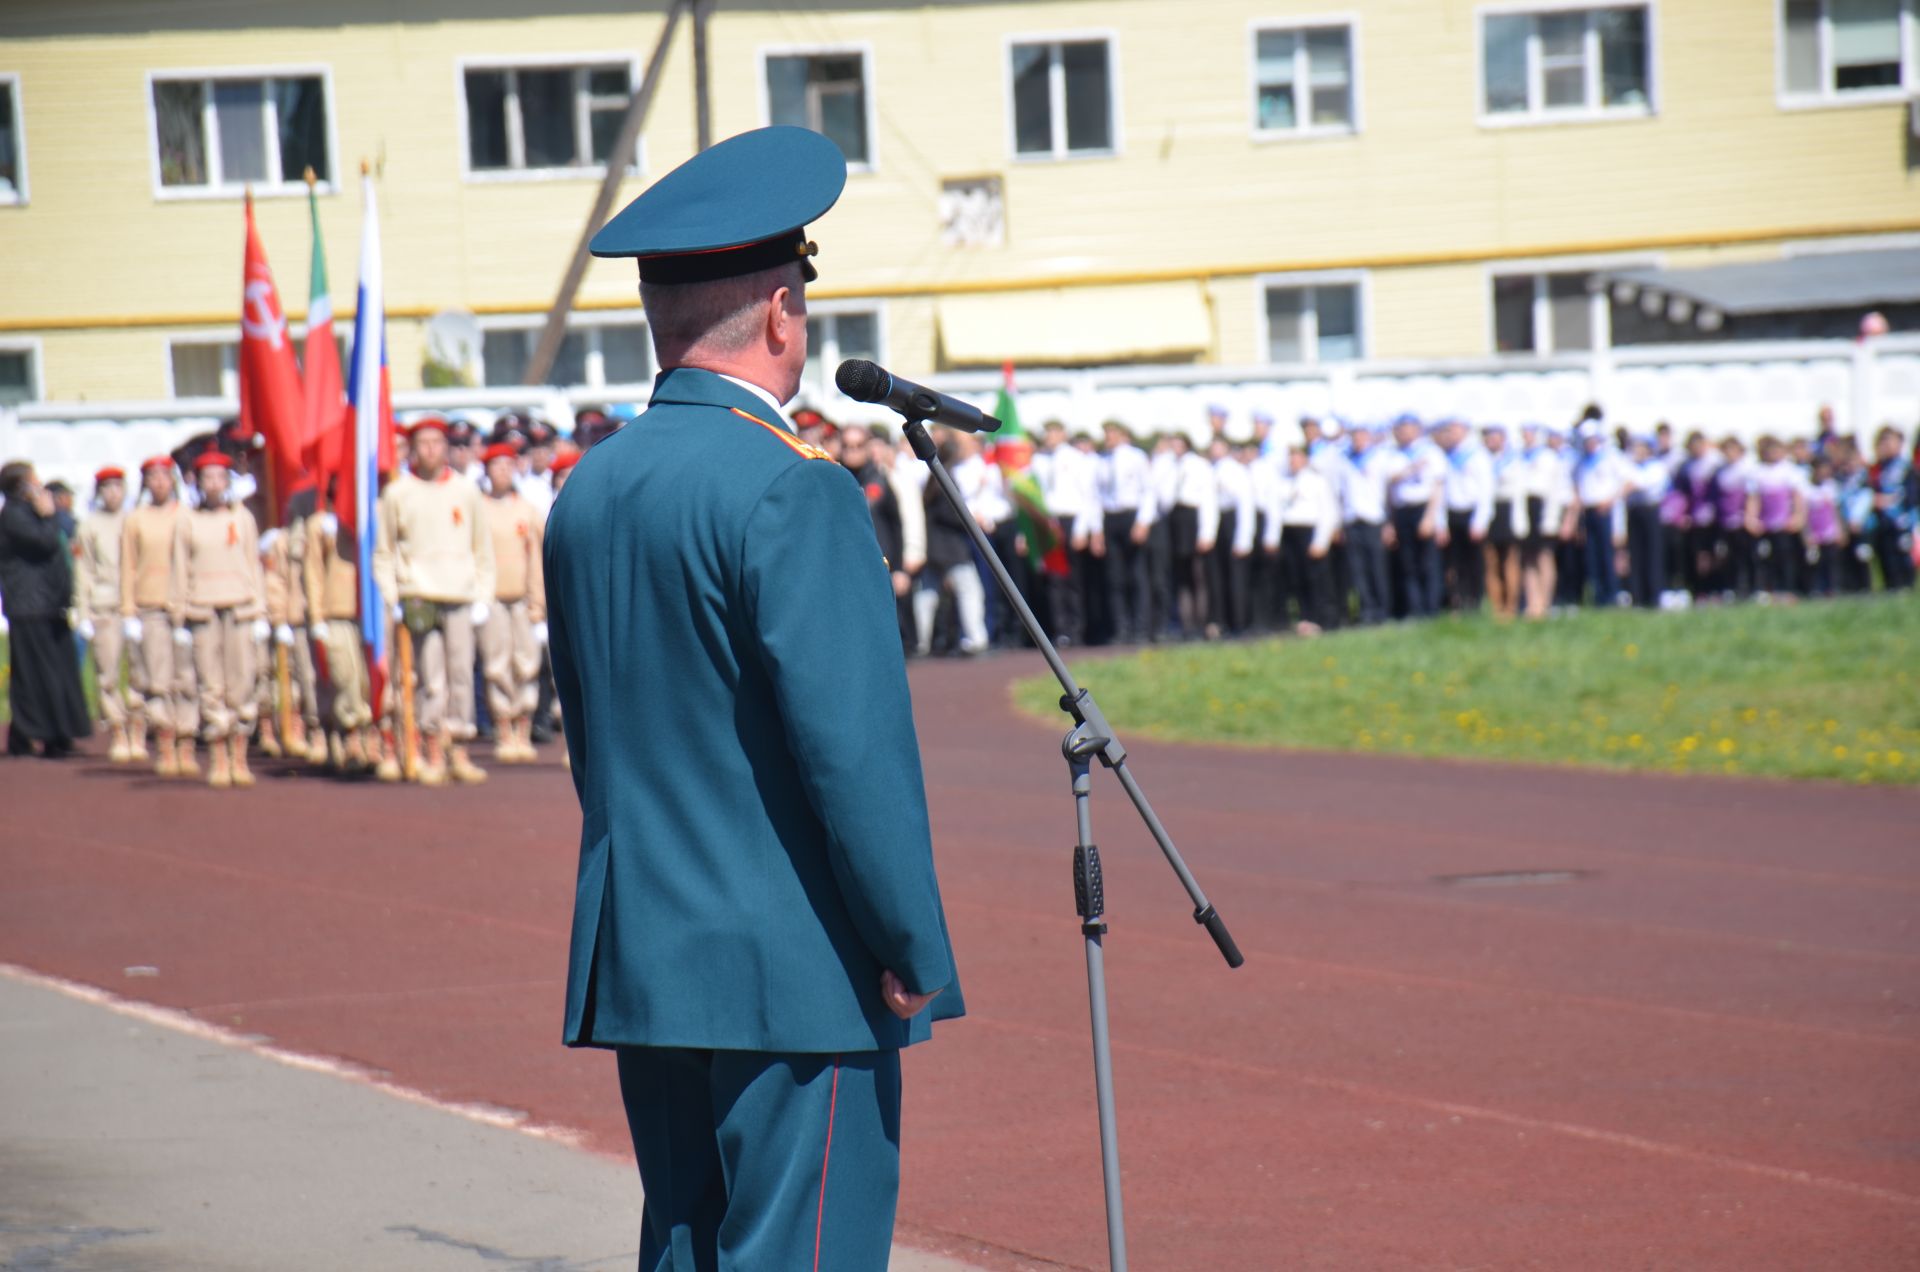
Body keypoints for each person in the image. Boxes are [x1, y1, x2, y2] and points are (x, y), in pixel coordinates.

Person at [546, 126, 963, 1271]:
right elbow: (853, 755)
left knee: (684, 1250)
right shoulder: (795, 489)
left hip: (652, 951)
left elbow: (597, 740)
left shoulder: (588, 492)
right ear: (783, 314)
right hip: (797, 970)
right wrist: (910, 940)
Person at [373, 415, 496, 786]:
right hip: (419, 593)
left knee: (461, 673)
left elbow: (482, 547)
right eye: (424, 443)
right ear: (413, 448)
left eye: (438, 442)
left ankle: (457, 746)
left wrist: (483, 596)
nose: (431, 450)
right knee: (430, 677)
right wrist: (392, 594)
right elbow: (384, 551)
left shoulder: (466, 490)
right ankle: (430, 746)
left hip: (459, 592)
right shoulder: (398, 493)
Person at [169, 452, 267, 788]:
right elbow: (179, 568)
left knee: (241, 680)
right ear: (197, 482)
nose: (213, 484)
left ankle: (239, 755)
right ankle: (218, 756)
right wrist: (177, 612)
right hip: (201, 607)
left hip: (239, 605)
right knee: (210, 683)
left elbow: (253, 562)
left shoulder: (242, 518)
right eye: (207, 477)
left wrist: (260, 608)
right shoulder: (187, 520)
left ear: (228, 481)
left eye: (220, 477)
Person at [0, 461, 90, 757]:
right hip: (30, 606)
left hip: (48, 603)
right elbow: (46, 542)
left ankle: (48, 733)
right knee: (38, 672)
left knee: (54, 670)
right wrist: (50, 516)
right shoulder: (14, 516)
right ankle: (43, 734)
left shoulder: (27, 514)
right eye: (33, 481)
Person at [121, 456, 198, 777]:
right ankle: (166, 741)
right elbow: (128, 565)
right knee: (158, 679)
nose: (159, 483)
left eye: (164, 476)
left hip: (187, 607)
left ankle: (187, 742)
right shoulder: (136, 519)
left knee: (188, 679)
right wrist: (128, 610)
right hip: (151, 605)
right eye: (152, 477)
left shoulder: (187, 516)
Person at [305, 483, 382, 775]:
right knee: (344, 677)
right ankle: (351, 736)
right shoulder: (320, 526)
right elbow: (312, 572)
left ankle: (373, 737)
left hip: (371, 611)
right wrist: (316, 617)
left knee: (371, 678)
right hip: (336, 611)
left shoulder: (374, 517)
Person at [478, 442, 547, 763]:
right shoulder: (478, 508)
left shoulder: (527, 511)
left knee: (526, 662)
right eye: (496, 465)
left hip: (522, 600)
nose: (502, 471)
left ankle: (523, 726)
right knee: (497, 664)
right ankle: (503, 726)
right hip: (492, 599)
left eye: (508, 465)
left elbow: (536, 560)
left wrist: (538, 603)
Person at [73, 467, 146, 762]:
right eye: (107, 487)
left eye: (118, 486)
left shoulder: (136, 521)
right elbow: (84, 571)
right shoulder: (89, 526)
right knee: (108, 672)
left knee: (141, 671)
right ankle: (118, 728)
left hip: (138, 605)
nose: (113, 493)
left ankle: (138, 727)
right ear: (99, 492)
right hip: (105, 604)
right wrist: (83, 612)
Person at [1095, 420, 1156, 643]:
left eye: (1111, 433)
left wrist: (1142, 522)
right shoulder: (1101, 460)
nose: (1108, 437)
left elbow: (1148, 490)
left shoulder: (1136, 457)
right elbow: (1096, 496)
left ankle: (1141, 626)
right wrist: (1097, 530)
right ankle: (1122, 627)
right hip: (1111, 517)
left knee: (1137, 574)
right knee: (1115, 576)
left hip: (1131, 515)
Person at [1573, 424, 1627, 606]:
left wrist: (1609, 501)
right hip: (1588, 511)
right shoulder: (1582, 461)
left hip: (1604, 510)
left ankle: (1611, 593)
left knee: (1606, 554)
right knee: (1592, 556)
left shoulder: (1610, 458)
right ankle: (1599, 595)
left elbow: (1627, 482)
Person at [1747, 435, 1806, 599]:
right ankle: (1768, 588)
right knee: (1765, 558)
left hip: (1784, 524)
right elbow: (1754, 498)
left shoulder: (1789, 470)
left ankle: (1787, 589)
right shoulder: (1758, 472)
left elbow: (1797, 497)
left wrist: (1797, 516)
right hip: (1766, 524)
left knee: (1786, 558)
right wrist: (1751, 519)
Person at [1482, 426, 1530, 620]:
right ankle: (1497, 607)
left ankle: (1511, 605)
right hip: (1489, 510)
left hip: (1508, 511)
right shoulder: (1482, 459)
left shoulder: (1514, 460)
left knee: (1511, 560)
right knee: (1491, 561)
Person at [1623, 435, 1669, 608]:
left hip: (1650, 511)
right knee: (1636, 554)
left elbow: (1643, 485)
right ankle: (1638, 595)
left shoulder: (1656, 467)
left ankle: (1654, 595)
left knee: (1652, 554)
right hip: (1634, 511)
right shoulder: (1632, 466)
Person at [1866, 426, 1914, 591]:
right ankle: (1891, 586)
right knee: (1886, 556)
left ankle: (1906, 586)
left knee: (1902, 556)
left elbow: (1912, 494)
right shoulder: (1878, 469)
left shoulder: (1906, 467)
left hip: (1901, 520)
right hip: (1882, 521)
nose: (1885, 446)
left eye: (1889, 441)